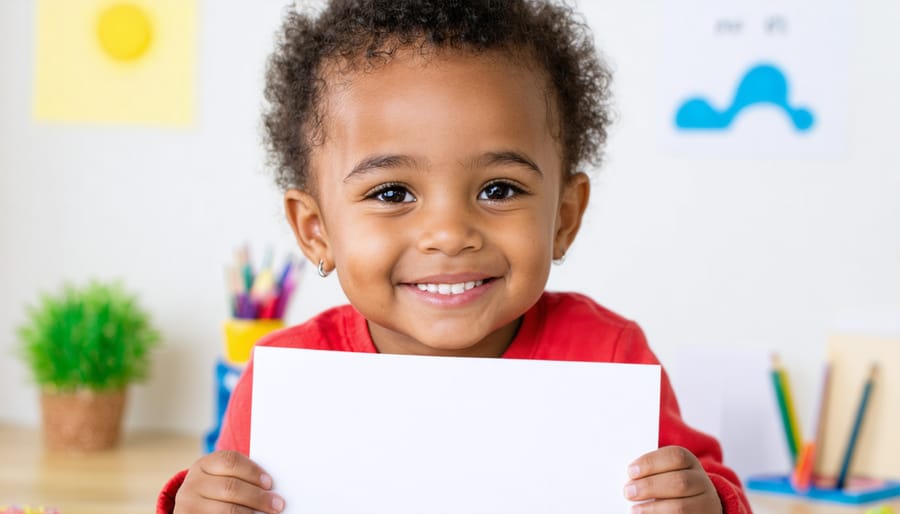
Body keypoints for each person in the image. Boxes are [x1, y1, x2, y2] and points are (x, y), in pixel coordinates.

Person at [158, 0, 751, 512]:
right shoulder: (284, 381)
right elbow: (231, 493)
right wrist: (199, 500)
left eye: (499, 189)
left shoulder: (612, 358)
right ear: (315, 230)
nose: (448, 233)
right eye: (392, 193)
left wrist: (704, 500)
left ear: (564, 217)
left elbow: (704, 484)